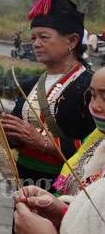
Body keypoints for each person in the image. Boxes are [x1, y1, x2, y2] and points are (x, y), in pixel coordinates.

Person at [2, 0, 95, 194]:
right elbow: (18, 135)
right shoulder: (30, 84)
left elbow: (96, 145)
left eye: (44, 37)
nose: (35, 43)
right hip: (25, 180)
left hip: (64, 186)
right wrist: (12, 132)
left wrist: (42, 142)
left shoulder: (90, 87)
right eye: (33, 37)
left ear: (72, 40)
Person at [12, 66, 105, 233]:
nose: (96, 106)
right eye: (93, 95)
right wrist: (62, 211)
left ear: (72, 41)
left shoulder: (81, 83)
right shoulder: (98, 139)